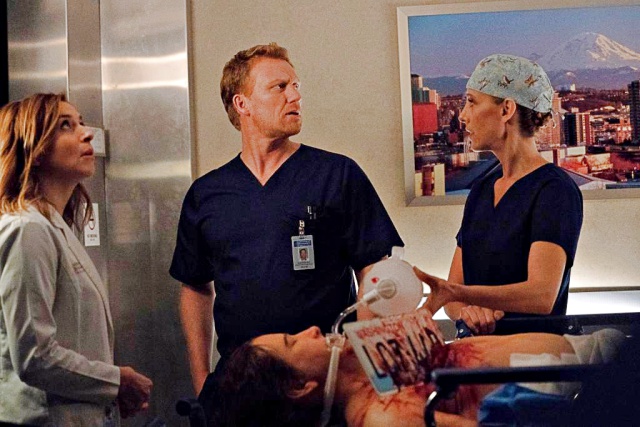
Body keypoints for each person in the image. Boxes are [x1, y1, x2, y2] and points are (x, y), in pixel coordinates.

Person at [169, 42, 403, 401]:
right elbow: (195, 287)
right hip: (241, 384)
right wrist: (201, 380)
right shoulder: (207, 194)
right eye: (279, 87)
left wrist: (362, 363)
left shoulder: (336, 175)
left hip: (324, 379)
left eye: (296, 86)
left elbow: (374, 270)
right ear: (242, 104)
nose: (295, 96)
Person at [0, 93, 152, 426]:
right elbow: (34, 356)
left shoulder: (54, 226)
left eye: (81, 122)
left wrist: (106, 394)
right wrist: (115, 382)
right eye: (65, 126)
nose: (87, 134)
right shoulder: (27, 229)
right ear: (34, 150)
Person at [210, 307, 625, 427]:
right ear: (299, 387)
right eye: (293, 341)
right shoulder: (383, 419)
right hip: (591, 388)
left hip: (593, 355)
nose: (311, 330)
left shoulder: (379, 373)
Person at [421, 54, 583, 335]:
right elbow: (454, 298)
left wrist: (459, 294)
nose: (463, 115)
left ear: (507, 109)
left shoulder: (555, 190)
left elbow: (541, 295)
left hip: (531, 356)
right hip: (477, 352)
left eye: (472, 102)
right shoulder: (481, 190)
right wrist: (468, 310)